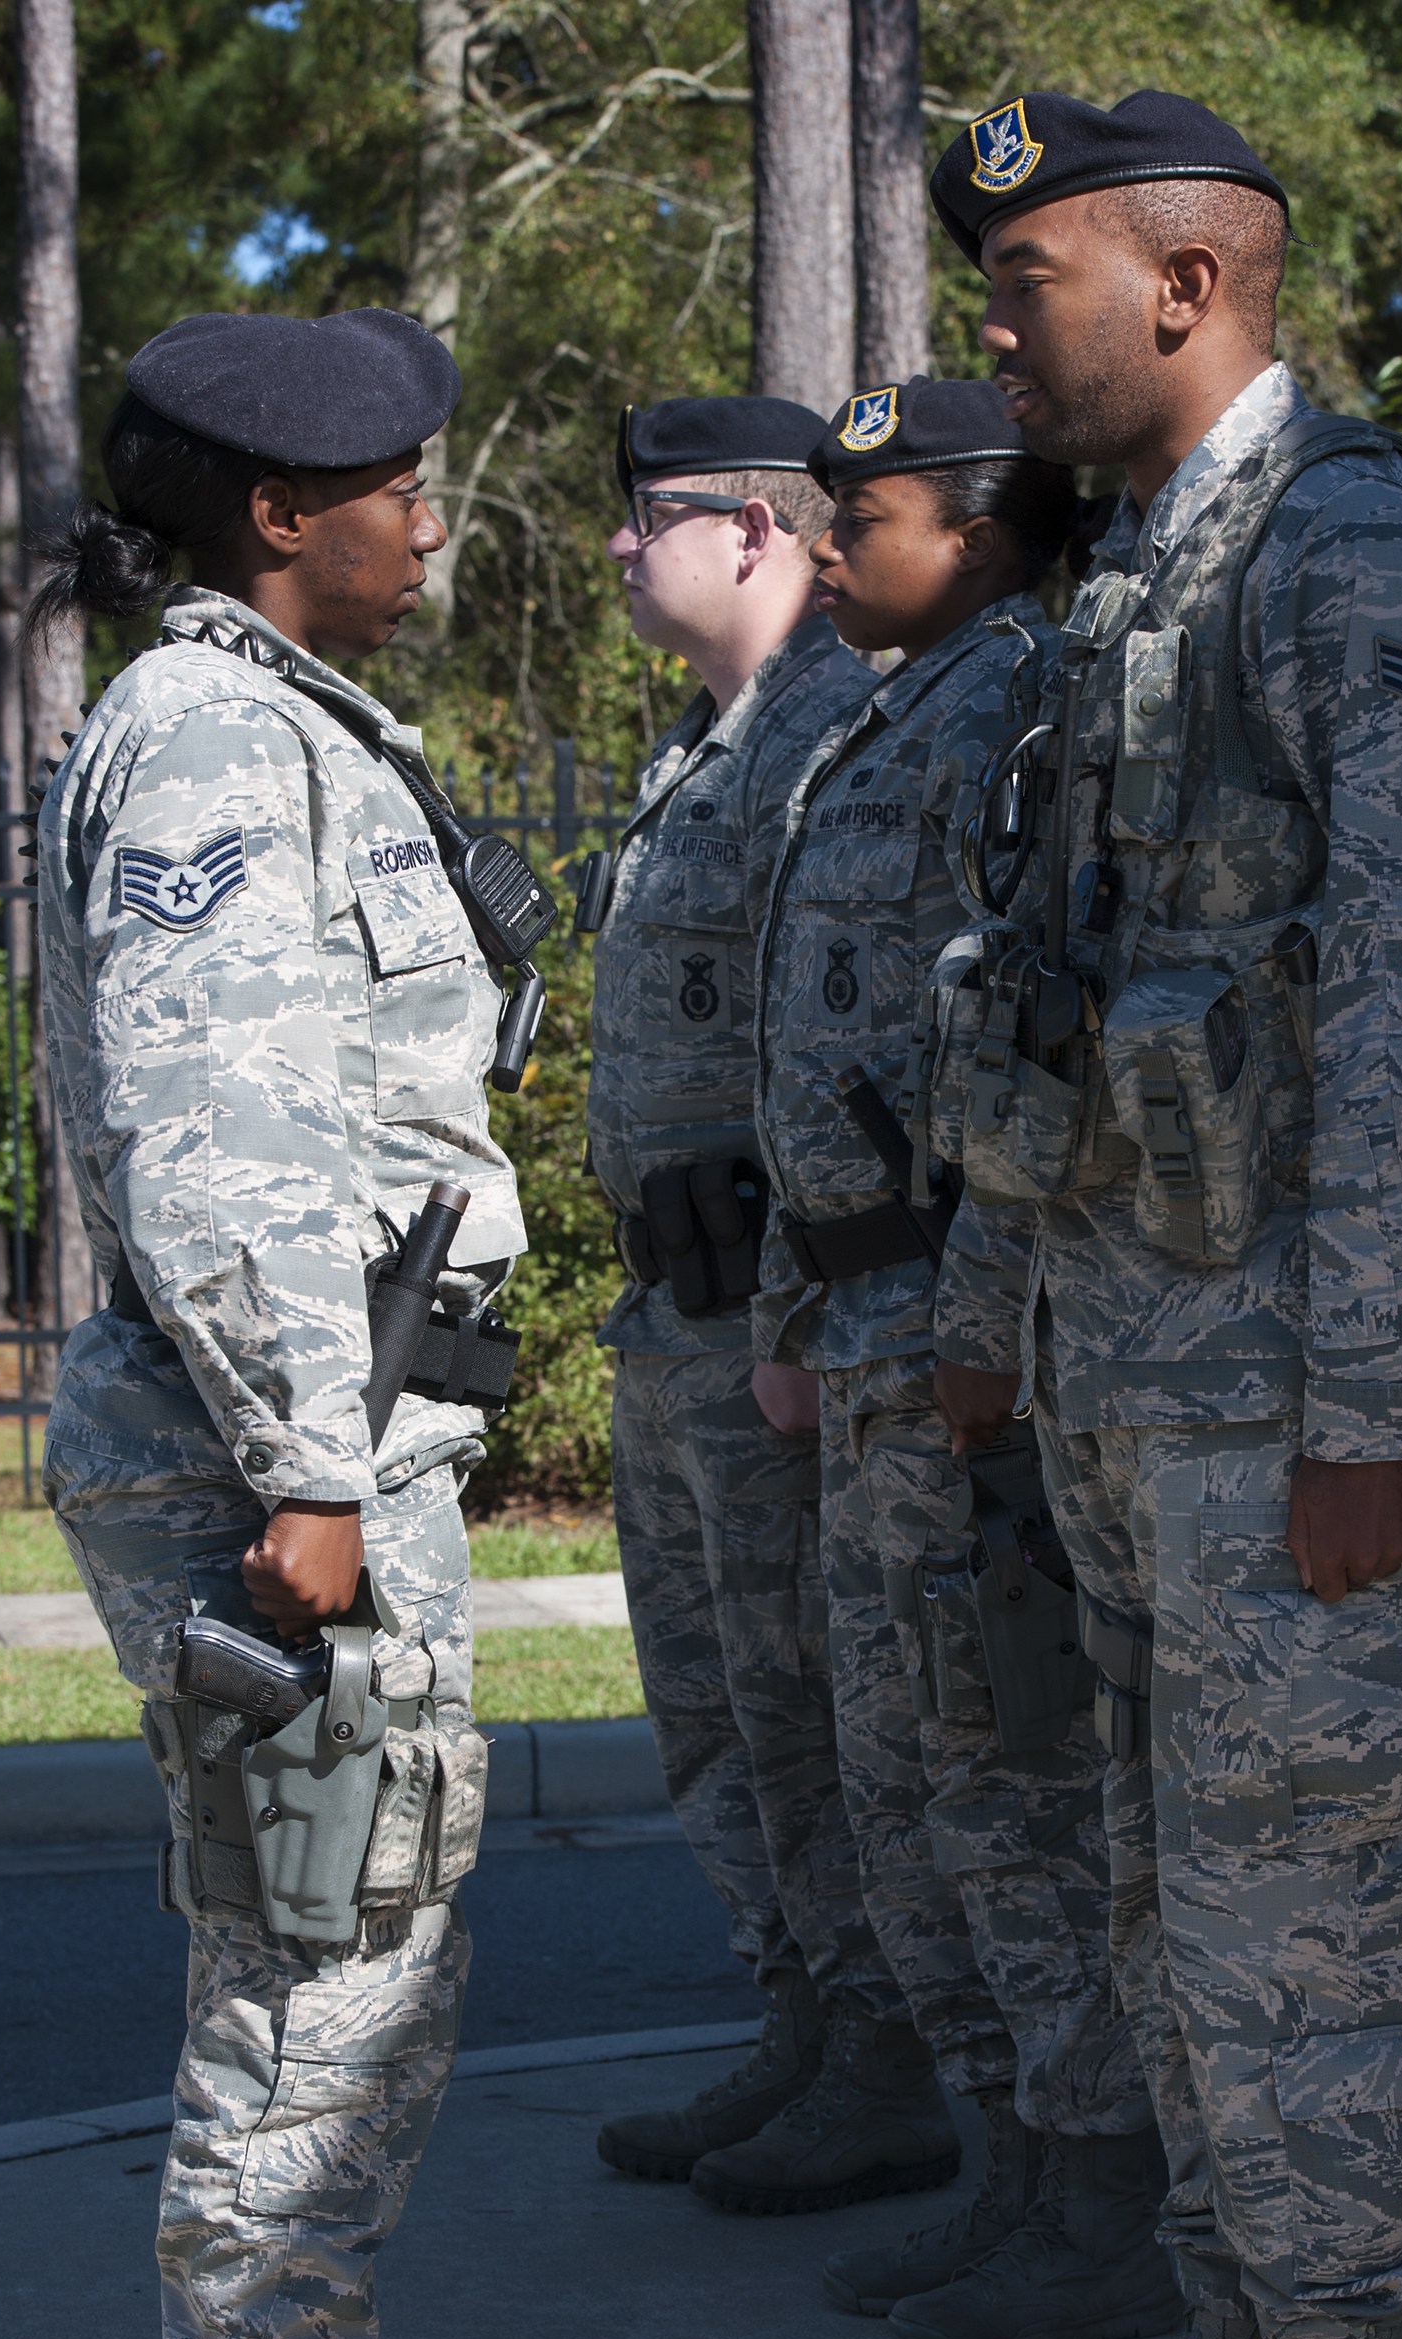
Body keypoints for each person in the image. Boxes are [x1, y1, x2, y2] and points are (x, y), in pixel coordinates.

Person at [921, 92, 1402, 2339]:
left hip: (1293, 1401)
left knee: (1296, 1933)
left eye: (1027, 271)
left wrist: (1371, 1411)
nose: (989, 318)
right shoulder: (1126, 587)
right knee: (1182, 1923)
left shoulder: (1352, 545)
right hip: (1130, 1381)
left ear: (1184, 282)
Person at [31, 309, 539, 2339]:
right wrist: (312, 1478)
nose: (426, 514)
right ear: (273, 512)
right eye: (395, 480)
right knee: (318, 1982)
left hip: (325, 1446)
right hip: (282, 1471)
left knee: (360, 1960)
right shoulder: (223, 734)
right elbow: (212, 1136)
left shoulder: (272, 724)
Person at [730, 375, 1175, 2339]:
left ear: (981, 525)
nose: (825, 551)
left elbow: (1019, 1048)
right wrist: (790, 1312)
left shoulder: (1014, 709)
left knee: (1007, 1781)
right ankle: (1004, 2167)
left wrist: (980, 1326)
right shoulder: (882, 711)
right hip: (867, 1321)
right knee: (908, 1773)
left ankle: (1091, 2192)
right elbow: (798, 1060)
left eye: (868, 515)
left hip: (958, 1329)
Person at [587, 398, 944, 2214]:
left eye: (646, 516)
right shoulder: (695, 748)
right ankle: (799, 2022)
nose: (619, 550)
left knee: (809, 1702)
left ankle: (884, 2056)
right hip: (677, 1314)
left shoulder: (825, 735)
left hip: (767, 1318)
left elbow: (852, 1050)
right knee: (711, 1707)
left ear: (753, 530)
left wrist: (802, 1309)